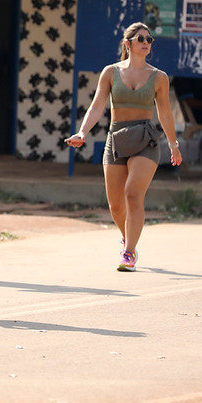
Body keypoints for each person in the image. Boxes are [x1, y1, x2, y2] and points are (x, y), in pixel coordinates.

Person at [65, 22, 181, 272]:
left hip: (145, 139)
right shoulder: (110, 72)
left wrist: (173, 145)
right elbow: (96, 106)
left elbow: (165, 114)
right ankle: (128, 237)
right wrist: (82, 132)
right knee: (116, 205)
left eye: (150, 40)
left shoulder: (159, 77)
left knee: (132, 194)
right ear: (127, 44)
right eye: (141, 39)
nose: (146, 43)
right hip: (116, 138)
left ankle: (128, 253)